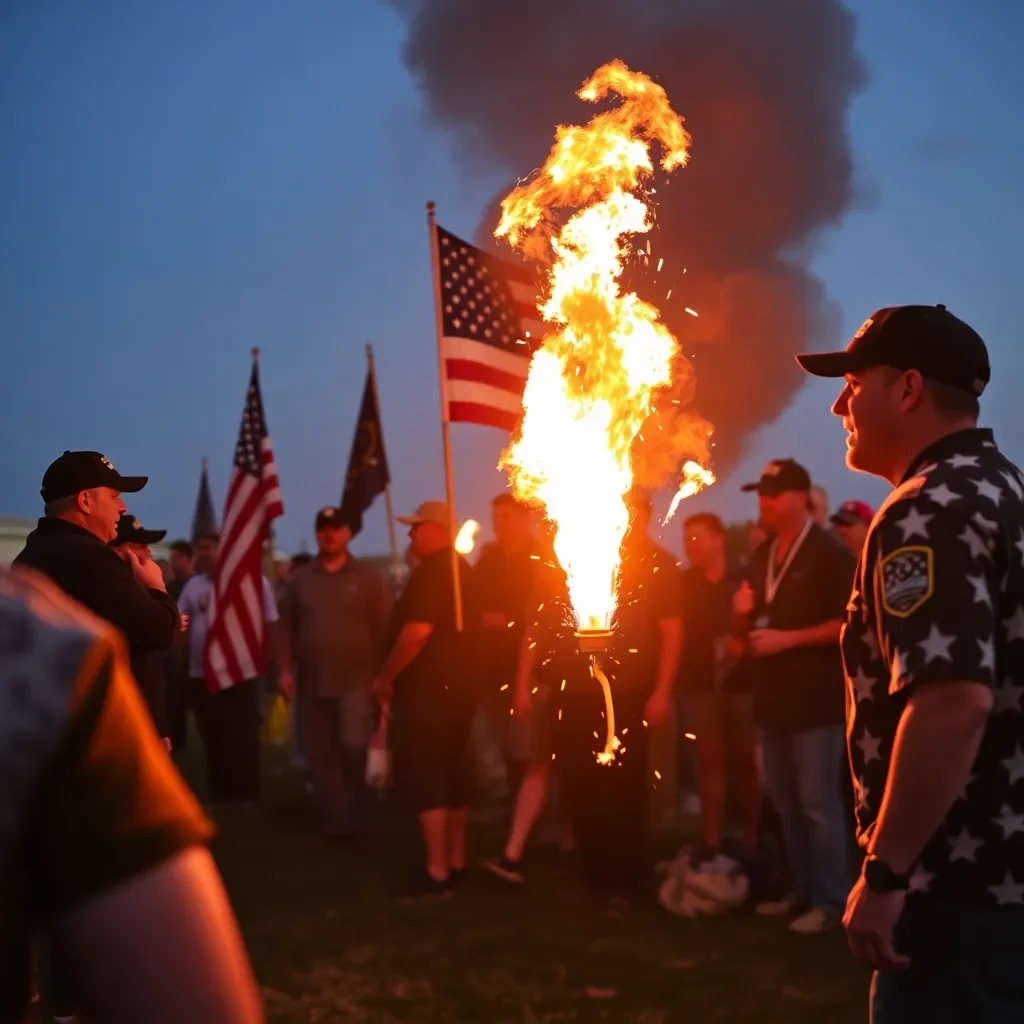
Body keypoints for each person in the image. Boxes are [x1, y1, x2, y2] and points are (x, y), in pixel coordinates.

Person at [798, 303, 1024, 1021]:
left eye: (854, 383)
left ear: (908, 389)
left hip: (958, 885)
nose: (839, 404)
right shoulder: (999, 487)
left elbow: (954, 698)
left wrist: (887, 871)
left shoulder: (924, 509)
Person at [0, 566, 263, 1024]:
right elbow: (192, 1004)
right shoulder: (29, 643)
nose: (121, 506)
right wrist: (159, 591)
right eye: (111, 496)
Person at [737, 458, 856, 934]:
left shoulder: (829, 553)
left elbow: (849, 622)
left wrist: (787, 639)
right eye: (760, 492)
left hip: (815, 702)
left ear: (800, 498)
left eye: (772, 493)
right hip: (773, 700)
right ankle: (801, 888)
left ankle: (831, 901)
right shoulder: (762, 555)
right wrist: (741, 615)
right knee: (785, 802)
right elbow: (750, 625)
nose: (763, 501)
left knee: (817, 803)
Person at [14, 451, 180, 734]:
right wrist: (156, 586)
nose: (123, 507)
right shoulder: (87, 556)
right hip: (97, 735)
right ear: (85, 501)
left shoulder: (34, 553)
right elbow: (160, 630)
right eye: (115, 496)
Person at [372, 501, 480, 898]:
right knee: (454, 773)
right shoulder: (462, 570)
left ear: (436, 529)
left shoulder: (434, 573)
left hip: (430, 690)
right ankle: (455, 861)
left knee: (430, 774)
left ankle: (436, 870)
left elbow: (417, 632)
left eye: (417, 527)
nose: (410, 534)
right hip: (461, 688)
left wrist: (386, 676)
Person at [278, 507, 391, 839]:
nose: (330, 534)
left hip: (356, 679)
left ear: (347, 533)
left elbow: (384, 627)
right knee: (319, 753)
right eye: (323, 528)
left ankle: (361, 813)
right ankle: (336, 820)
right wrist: (284, 669)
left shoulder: (367, 577)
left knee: (353, 746)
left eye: (336, 528)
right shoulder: (301, 579)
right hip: (312, 681)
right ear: (316, 534)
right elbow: (285, 628)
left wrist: (382, 675)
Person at [678, 513, 762, 865]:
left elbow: (763, 624)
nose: (691, 546)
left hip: (742, 683)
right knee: (709, 759)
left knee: (746, 760)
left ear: (718, 539)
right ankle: (712, 841)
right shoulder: (683, 583)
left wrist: (745, 645)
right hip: (698, 682)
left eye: (697, 538)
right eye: (687, 540)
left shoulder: (744, 578)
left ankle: (752, 839)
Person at [177, 532, 279, 806]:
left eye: (209, 547)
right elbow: (182, 619)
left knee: (241, 732)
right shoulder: (194, 586)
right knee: (212, 733)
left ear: (224, 550)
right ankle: (219, 789)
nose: (204, 553)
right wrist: (181, 638)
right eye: (200, 548)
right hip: (201, 673)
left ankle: (245, 791)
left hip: (240, 671)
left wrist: (269, 660)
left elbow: (269, 622)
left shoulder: (253, 582)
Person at [474, 494, 540, 804]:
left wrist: (509, 620)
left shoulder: (541, 559)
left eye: (507, 516)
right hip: (491, 665)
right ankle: (515, 808)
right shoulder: (488, 559)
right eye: (496, 517)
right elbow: (473, 602)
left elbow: (544, 611)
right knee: (504, 743)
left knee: (529, 745)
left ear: (524, 519)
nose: (500, 523)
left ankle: (538, 815)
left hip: (530, 668)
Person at [110, 512, 173, 748]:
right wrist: (157, 586)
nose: (149, 553)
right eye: (140, 546)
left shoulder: (135, 590)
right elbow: (161, 631)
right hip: (129, 716)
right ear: (119, 550)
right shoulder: (118, 593)